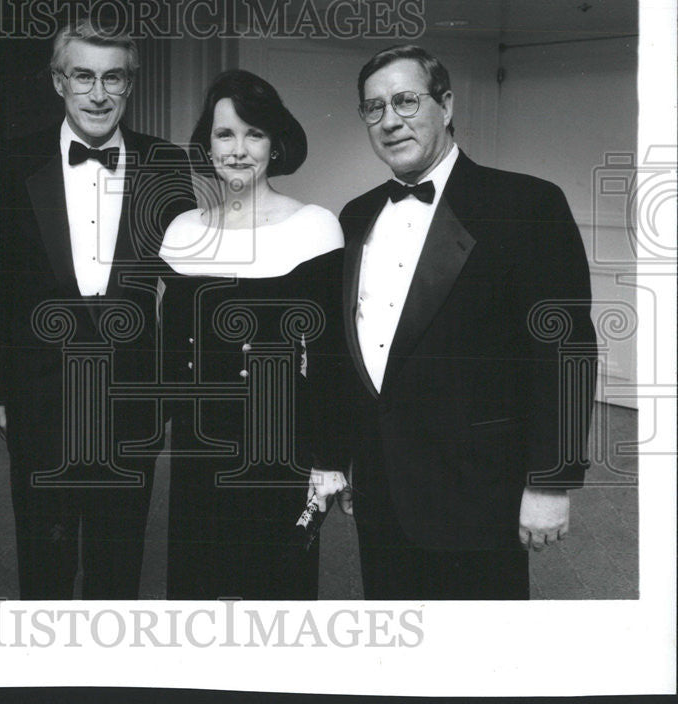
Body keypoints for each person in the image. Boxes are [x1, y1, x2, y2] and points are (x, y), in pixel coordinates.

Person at [311, 45, 596, 600]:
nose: (390, 120)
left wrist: (551, 482)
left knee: (479, 659)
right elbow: (352, 353)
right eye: (374, 108)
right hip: (382, 483)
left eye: (406, 101)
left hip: (478, 490)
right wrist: (344, 458)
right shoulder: (356, 213)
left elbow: (564, 352)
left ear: (445, 104)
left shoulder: (526, 204)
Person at [0, 20, 195, 599]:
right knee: (43, 563)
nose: (99, 93)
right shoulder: (10, 162)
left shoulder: (167, 164)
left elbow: (185, 288)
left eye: (114, 78)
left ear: (129, 85)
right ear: (59, 82)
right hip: (39, 397)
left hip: (132, 401)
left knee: (118, 564)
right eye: (83, 76)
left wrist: (170, 387)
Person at [159, 70, 345, 600]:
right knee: (198, 599)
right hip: (198, 450)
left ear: (275, 144)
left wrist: (328, 459)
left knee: (275, 602)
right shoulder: (182, 231)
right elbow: (171, 356)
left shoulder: (315, 227)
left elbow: (330, 358)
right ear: (206, 144)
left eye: (254, 133)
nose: (238, 150)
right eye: (225, 134)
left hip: (279, 448)